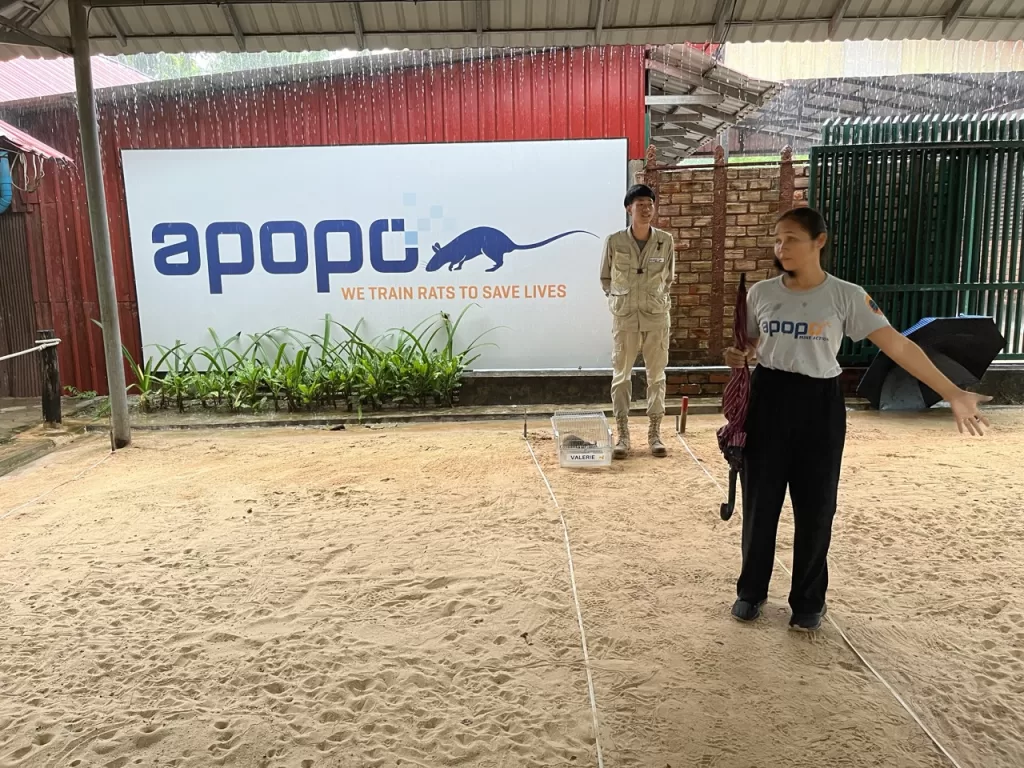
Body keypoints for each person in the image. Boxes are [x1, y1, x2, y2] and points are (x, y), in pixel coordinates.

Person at [724, 206, 992, 631]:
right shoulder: (761, 293)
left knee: (816, 507)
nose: (782, 247)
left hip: (820, 405)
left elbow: (899, 347)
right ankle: (750, 592)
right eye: (777, 239)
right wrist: (742, 354)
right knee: (761, 504)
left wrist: (953, 392)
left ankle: (808, 601)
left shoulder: (846, 296)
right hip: (769, 398)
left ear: (819, 242)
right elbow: (755, 345)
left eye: (791, 238)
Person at [600, 184, 676, 459]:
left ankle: (655, 434)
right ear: (628, 208)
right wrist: (619, 301)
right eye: (640, 203)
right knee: (621, 378)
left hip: (656, 318)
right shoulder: (615, 241)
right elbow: (605, 278)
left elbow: (668, 278)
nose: (646, 208)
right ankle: (622, 435)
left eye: (650, 203)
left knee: (657, 377)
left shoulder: (665, 241)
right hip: (625, 319)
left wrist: (654, 298)